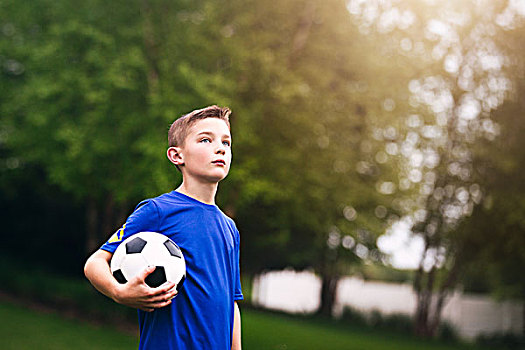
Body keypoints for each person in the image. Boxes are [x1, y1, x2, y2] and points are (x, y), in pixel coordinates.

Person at [84, 105, 243, 350]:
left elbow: (231, 304)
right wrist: (119, 291)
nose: (220, 148)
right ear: (176, 155)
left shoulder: (230, 228)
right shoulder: (158, 211)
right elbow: (95, 263)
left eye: (226, 142)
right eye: (205, 140)